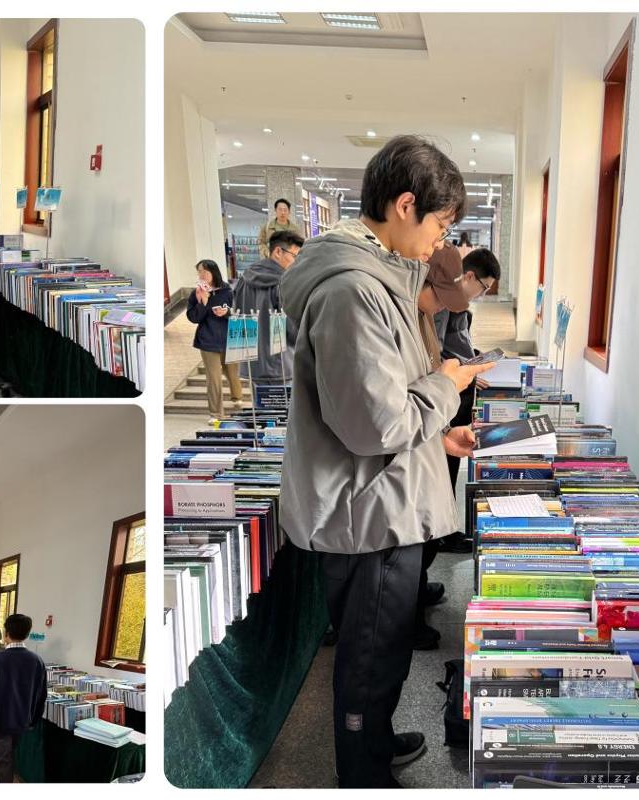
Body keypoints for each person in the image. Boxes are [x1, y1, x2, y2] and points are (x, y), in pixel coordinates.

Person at [278, 135, 494, 788]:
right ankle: (362, 773)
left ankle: (372, 739)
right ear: (405, 206)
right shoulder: (352, 290)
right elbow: (375, 425)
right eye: (439, 225)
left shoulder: (379, 278)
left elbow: (382, 402)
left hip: (386, 499)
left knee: (386, 647)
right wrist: (447, 385)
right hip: (368, 512)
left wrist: (438, 440)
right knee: (368, 660)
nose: (439, 242)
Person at [432, 246, 502, 555]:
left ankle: (445, 531)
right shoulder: (443, 304)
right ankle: (439, 535)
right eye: (483, 287)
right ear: (469, 276)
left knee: (450, 466)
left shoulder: (460, 307)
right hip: (446, 393)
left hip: (459, 388)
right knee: (443, 466)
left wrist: (473, 362)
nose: (482, 295)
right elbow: (436, 353)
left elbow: (456, 345)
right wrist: (465, 369)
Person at [0, 613, 47, 784]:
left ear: (6, 633)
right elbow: (41, 695)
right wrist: (32, 720)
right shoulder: (37, 661)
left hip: (0, 721)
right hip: (24, 720)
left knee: (3, 763)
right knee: (11, 758)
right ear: (27, 634)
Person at [232, 229, 303, 385]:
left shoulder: (244, 279)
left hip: (252, 366)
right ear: (278, 252)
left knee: (259, 401)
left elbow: (236, 316)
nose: (297, 262)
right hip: (281, 367)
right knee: (285, 401)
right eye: (295, 256)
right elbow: (292, 330)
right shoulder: (283, 282)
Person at [186, 258, 242, 418]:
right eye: (199, 272)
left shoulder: (229, 291)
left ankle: (237, 397)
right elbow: (193, 318)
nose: (201, 275)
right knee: (213, 378)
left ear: (213, 272)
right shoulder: (196, 293)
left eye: (205, 271)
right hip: (208, 340)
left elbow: (240, 312)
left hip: (229, 339)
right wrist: (203, 302)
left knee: (232, 373)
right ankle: (216, 413)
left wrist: (227, 312)